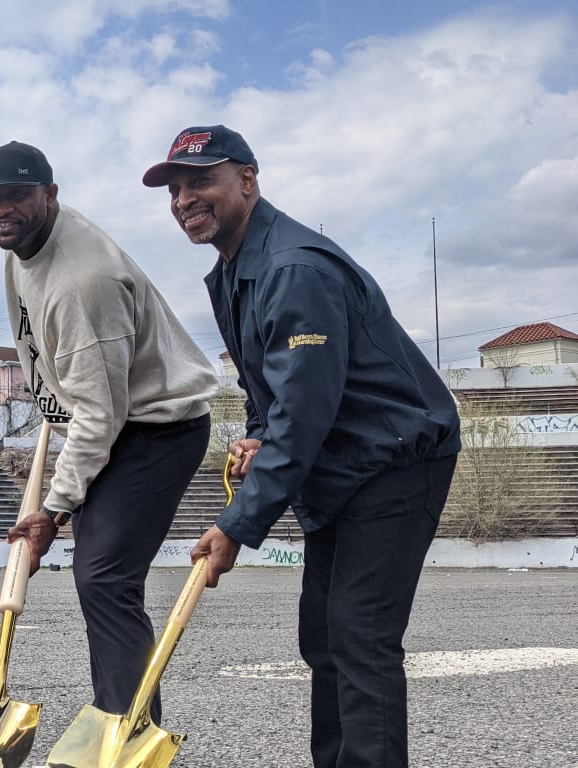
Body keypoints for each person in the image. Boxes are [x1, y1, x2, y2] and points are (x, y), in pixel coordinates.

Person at [143, 125, 461, 768]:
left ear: (248, 181)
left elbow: (304, 411)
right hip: (345, 467)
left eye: (201, 181)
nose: (183, 199)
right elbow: (275, 393)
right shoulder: (237, 271)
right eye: (175, 189)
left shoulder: (295, 269)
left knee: (360, 635)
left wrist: (236, 523)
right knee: (323, 636)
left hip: (396, 462)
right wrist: (258, 435)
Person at [0, 142, 218, 724]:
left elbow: (101, 417)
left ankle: (124, 733)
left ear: (50, 195)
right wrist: (56, 423)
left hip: (158, 427)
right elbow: (51, 364)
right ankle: (122, 721)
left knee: (104, 576)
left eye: (17, 196)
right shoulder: (21, 248)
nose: (1, 210)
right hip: (109, 419)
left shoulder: (84, 282)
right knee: (100, 578)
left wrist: (53, 510)